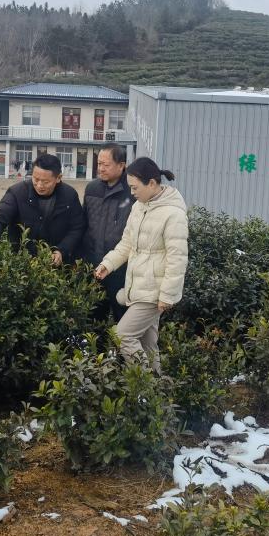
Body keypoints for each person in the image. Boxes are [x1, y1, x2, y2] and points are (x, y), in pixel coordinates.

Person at [94, 157, 188, 374]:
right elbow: (127, 243)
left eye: (135, 187)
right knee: (148, 344)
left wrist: (167, 295)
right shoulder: (139, 207)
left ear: (152, 184)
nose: (132, 192)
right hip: (139, 287)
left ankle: (142, 384)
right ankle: (158, 388)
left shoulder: (173, 214)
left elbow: (178, 258)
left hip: (154, 292)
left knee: (123, 335)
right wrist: (108, 263)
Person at [0, 153, 85, 266]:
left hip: (56, 265)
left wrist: (62, 250)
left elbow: (77, 227)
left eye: (46, 182)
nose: (39, 185)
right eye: (36, 179)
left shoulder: (69, 195)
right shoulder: (17, 192)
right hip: (22, 263)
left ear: (58, 178)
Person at [82, 144, 133, 322]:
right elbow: (83, 224)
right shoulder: (92, 188)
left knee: (123, 318)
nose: (101, 169)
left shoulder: (132, 191)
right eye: (99, 164)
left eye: (106, 165)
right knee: (94, 317)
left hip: (121, 269)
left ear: (121, 165)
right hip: (94, 265)